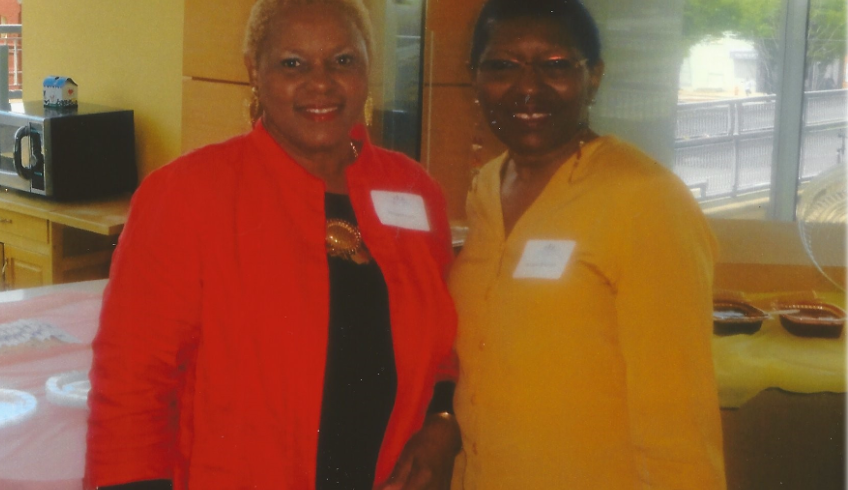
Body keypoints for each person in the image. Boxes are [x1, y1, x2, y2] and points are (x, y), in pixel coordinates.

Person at [85, 0, 460, 488]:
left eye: (342, 60)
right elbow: (132, 389)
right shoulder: (185, 195)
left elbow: (443, 351)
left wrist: (442, 426)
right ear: (254, 73)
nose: (320, 82)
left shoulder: (415, 191)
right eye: (292, 64)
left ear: (369, 68)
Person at [448, 0, 727, 488]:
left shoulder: (644, 198)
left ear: (592, 77)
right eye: (502, 65)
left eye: (555, 66)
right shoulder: (486, 189)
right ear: (474, 76)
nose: (528, 86)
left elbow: (679, 415)